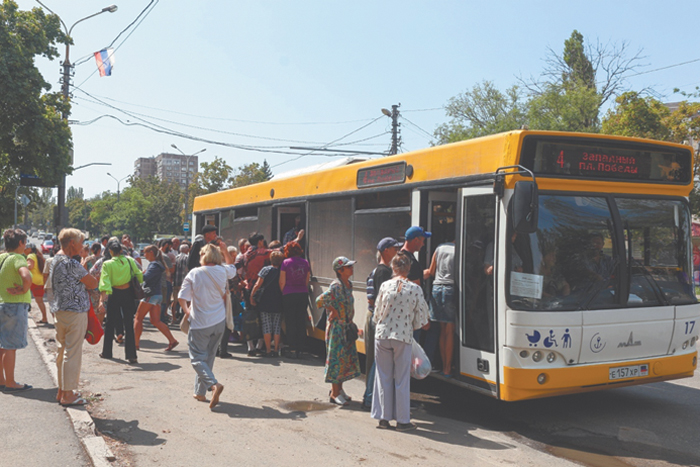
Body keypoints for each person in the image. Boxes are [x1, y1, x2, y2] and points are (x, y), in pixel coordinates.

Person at [372, 251, 430, 431]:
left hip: (382, 335)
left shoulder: (385, 286)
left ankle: (383, 418)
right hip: (402, 337)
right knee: (402, 379)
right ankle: (403, 421)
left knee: (383, 376)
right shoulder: (415, 289)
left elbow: (377, 313)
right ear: (409, 268)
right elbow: (422, 318)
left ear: (393, 268)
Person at [178, 242, 236, 409]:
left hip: (200, 323)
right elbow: (232, 266)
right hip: (219, 322)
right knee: (208, 357)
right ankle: (200, 392)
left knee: (197, 358)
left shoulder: (195, 273)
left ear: (203, 256)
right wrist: (225, 250)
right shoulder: (223, 270)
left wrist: (186, 310)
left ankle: (213, 384)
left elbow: (182, 296)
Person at [52, 228, 99, 406]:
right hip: (75, 312)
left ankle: (62, 390)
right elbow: (92, 283)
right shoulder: (72, 264)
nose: (82, 246)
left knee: (62, 351)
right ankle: (68, 394)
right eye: (80, 242)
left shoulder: (56, 259)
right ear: (72, 243)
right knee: (72, 353)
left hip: (60, 310)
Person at [315, 256, 361, 406]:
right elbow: (319, 301)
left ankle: (339, 389)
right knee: (336, 359)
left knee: (345, 359)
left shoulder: (348, 284)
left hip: (346, 326)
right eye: (348, 267)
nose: (351, 268)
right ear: (340, 271)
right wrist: (332, 309)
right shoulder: (336, 286)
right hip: (337, 328)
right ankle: (334, 393)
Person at [363, 237, 400, 409]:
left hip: (374, 317)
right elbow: (383, 300)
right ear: (386, 251)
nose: (397, 251)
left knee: (376, 359)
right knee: (379, 360)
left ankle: (371, 397)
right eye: (394, 248)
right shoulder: (384, 272)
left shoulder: (379, 270)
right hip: (378, 319)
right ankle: (370, 398)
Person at [98, 238, 143, 364]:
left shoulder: (107, 264)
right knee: (129, 323)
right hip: (128, 294)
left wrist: (102, 300)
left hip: (114, 293)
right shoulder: (129, 260)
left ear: (110, 251)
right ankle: (131, 355)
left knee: (110, 324)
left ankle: (107, 352)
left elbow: (104, 283)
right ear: (121, 250)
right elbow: (139, 274)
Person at [0, 229, 33, 392]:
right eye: (25, 242)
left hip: (1, 303)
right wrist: (23, 289)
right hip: (14, 305)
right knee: (10, 346)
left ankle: (1, 379)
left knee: (1, 345)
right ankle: (11, 382)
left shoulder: (1, 258)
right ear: (20, 243)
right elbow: (26, 276)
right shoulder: (18, 258)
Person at [134, 245, 179, 351]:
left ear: (151, 253)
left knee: (138, 318)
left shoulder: (154, 265)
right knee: (155, 321)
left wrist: (138, 273)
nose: (144, 255)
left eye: (145, 253)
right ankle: (172, 340)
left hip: (151, 295)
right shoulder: (157, 264)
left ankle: (135, 344)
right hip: (157, 295)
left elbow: (145, 277)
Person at [427, 237, 456, 377]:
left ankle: (443, 365)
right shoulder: (458, 250)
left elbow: (432, 271)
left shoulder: (439, 247)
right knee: (450, 330)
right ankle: (447, 368)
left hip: (437, 288)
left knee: (442, 328)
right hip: (450, 288)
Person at [280, 241, 310, 359]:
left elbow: (282, 281)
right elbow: (306, 281)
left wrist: (284, 292)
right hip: (302, 293)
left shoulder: (285, 263)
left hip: (289, 294)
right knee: (301, 321)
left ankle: (292, 348)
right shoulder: (305, 263)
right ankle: (300, 349)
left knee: (290, 322)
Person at [251, 250, 284, 357]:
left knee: (266, 326)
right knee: (277, 326)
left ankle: (268, 350)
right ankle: (276, 350)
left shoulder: (265, 270)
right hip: (278, 300)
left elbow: (257, 284)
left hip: (265, 301)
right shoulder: (282, 271)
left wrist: (252, 296)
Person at [217, 245, 240, 359]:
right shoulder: (225, 269)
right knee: (226, 325)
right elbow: (232, 269)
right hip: (224, 299)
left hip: (212, 300)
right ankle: (222, 350)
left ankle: (216, 349)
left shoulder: (203, 269)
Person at [25, 242, 48, 324]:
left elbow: (30, 266)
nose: (24, 250)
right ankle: (44, 317)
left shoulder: (30, 256)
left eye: (26, 248)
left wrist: (22, 266)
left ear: (30, 249)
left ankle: (45, 318)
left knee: (39, 301)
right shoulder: (38, 256)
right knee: (40, 300)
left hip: (34, 282)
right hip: (40, 281)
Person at [172, 243, 190, 323]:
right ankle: (184, 318)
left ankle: (173, 318)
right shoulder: (188, 258)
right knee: (186, 301)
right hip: (184, 283)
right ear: (187, 250)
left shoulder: (176, 257)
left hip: (176, 282)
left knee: (175, 301)